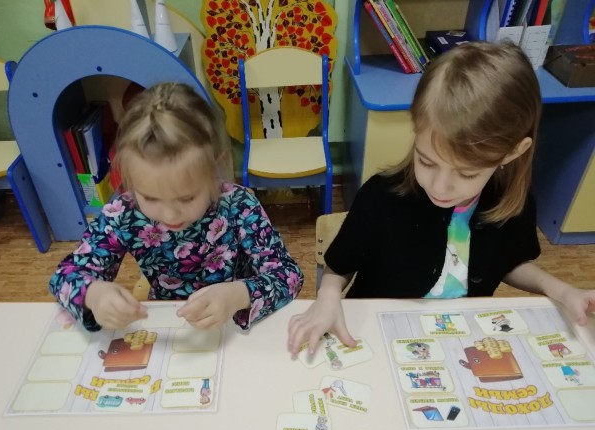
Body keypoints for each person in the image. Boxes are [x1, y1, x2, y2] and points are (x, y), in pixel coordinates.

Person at [288, 41, 595, 354]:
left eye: (467, 174)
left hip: (458, 342)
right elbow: (340, 265)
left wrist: (560, 290)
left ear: (513, 152)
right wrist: (327, 297)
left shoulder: (510, 201)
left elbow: (508, 261)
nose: (440, 187)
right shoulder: (381, 196)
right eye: (426, 161)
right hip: (379, 334)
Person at [50, 82, 303, 332]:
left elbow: (289, 276)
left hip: (232, 323)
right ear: (129, 179)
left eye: (187, 198)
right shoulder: (123, 213)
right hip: (168, 326)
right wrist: (93, 295)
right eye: (151, 198)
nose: (170, 215)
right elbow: (63, 276)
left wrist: (238, 295)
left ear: (215, 167)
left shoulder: (239, 205)